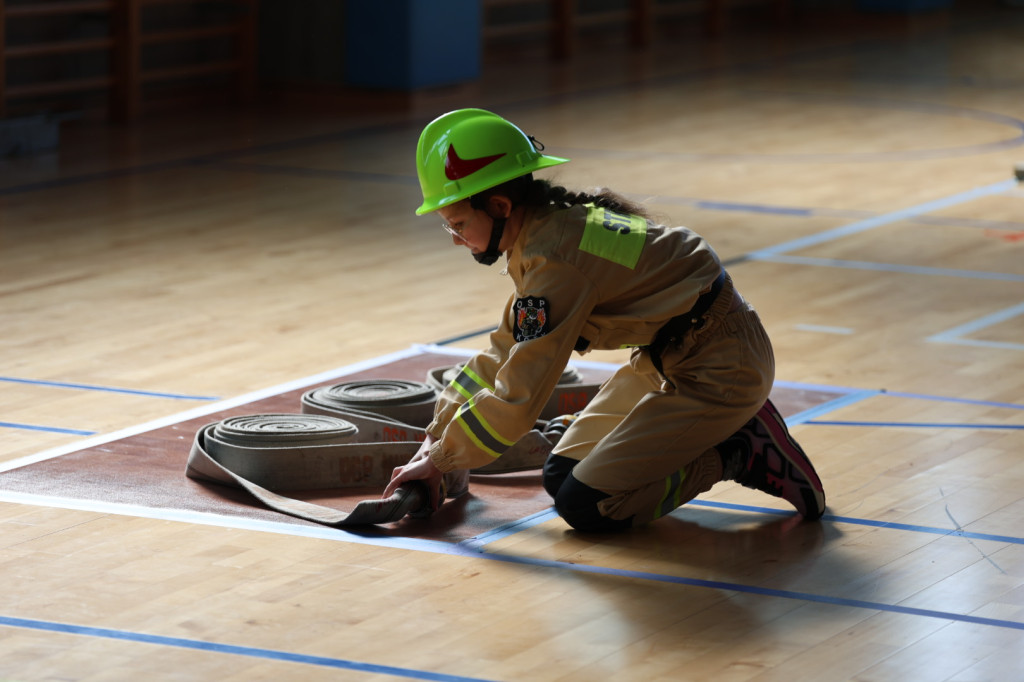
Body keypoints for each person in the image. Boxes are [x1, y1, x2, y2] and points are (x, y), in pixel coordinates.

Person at [383, 108, 826, 531]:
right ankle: (734, 428)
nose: (456, 240)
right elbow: (501, 351)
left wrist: (441, 460)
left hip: (721, 365)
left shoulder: (555, 261)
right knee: (561, 475)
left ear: (499, 206)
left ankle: (737, 449)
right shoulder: (544, 234)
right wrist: (434, 438)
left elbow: (518, 399)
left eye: (457, 223)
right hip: (670, 355)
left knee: (588, 505)